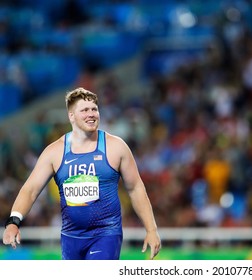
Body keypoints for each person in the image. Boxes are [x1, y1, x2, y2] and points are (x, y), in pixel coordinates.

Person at [2, 87, 161, 260]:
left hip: (106, 234)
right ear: (71, 116)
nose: (91, 114)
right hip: (71, 238)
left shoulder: (115, 147)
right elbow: (30, 189)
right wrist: (13, 222)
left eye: (94, 109)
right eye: (84, 110)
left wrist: (151, 230)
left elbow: (135, 188)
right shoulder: (54, 152)